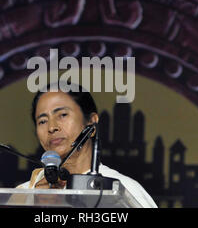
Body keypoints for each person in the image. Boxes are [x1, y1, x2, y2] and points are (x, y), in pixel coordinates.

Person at [16, 82, 157, 208]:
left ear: (92, 123)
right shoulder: (23, 195)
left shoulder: (121, 190)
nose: (52, 127)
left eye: (63, 115)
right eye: (42, 121)